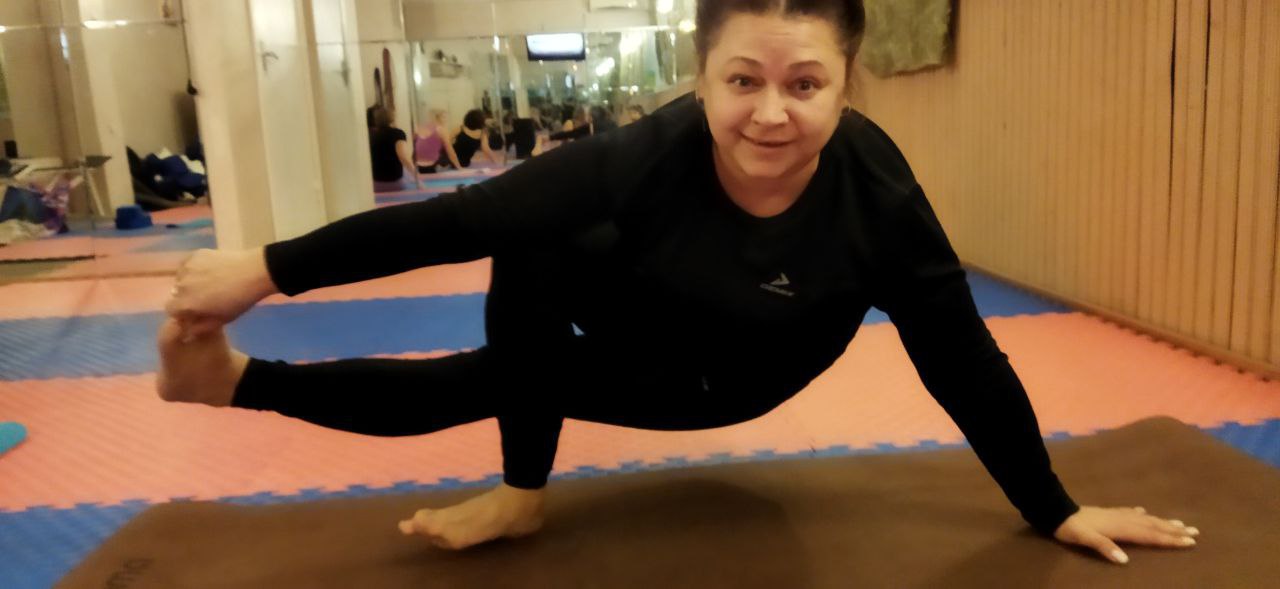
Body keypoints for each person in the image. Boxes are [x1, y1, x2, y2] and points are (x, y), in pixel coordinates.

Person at [159, 0, 1200, 562]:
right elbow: (459, 219)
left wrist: (1053, 506)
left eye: (804, 83)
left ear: (846, 84)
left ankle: (244, 386)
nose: (770, 114)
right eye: (742, 80)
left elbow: (960, 355)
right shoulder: (645, 154)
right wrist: (262, 269)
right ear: (702, 79)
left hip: (731, 375)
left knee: (498, 376)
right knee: (528, 235)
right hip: (644, 315)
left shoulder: (876, 198)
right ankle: (518, 491)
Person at [368, 106, 416, 191]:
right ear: (392, 118)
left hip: (375, 184)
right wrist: (418, 178)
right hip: (394, 183)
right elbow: (403, 157)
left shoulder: (372, 136)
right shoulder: (397, 133)